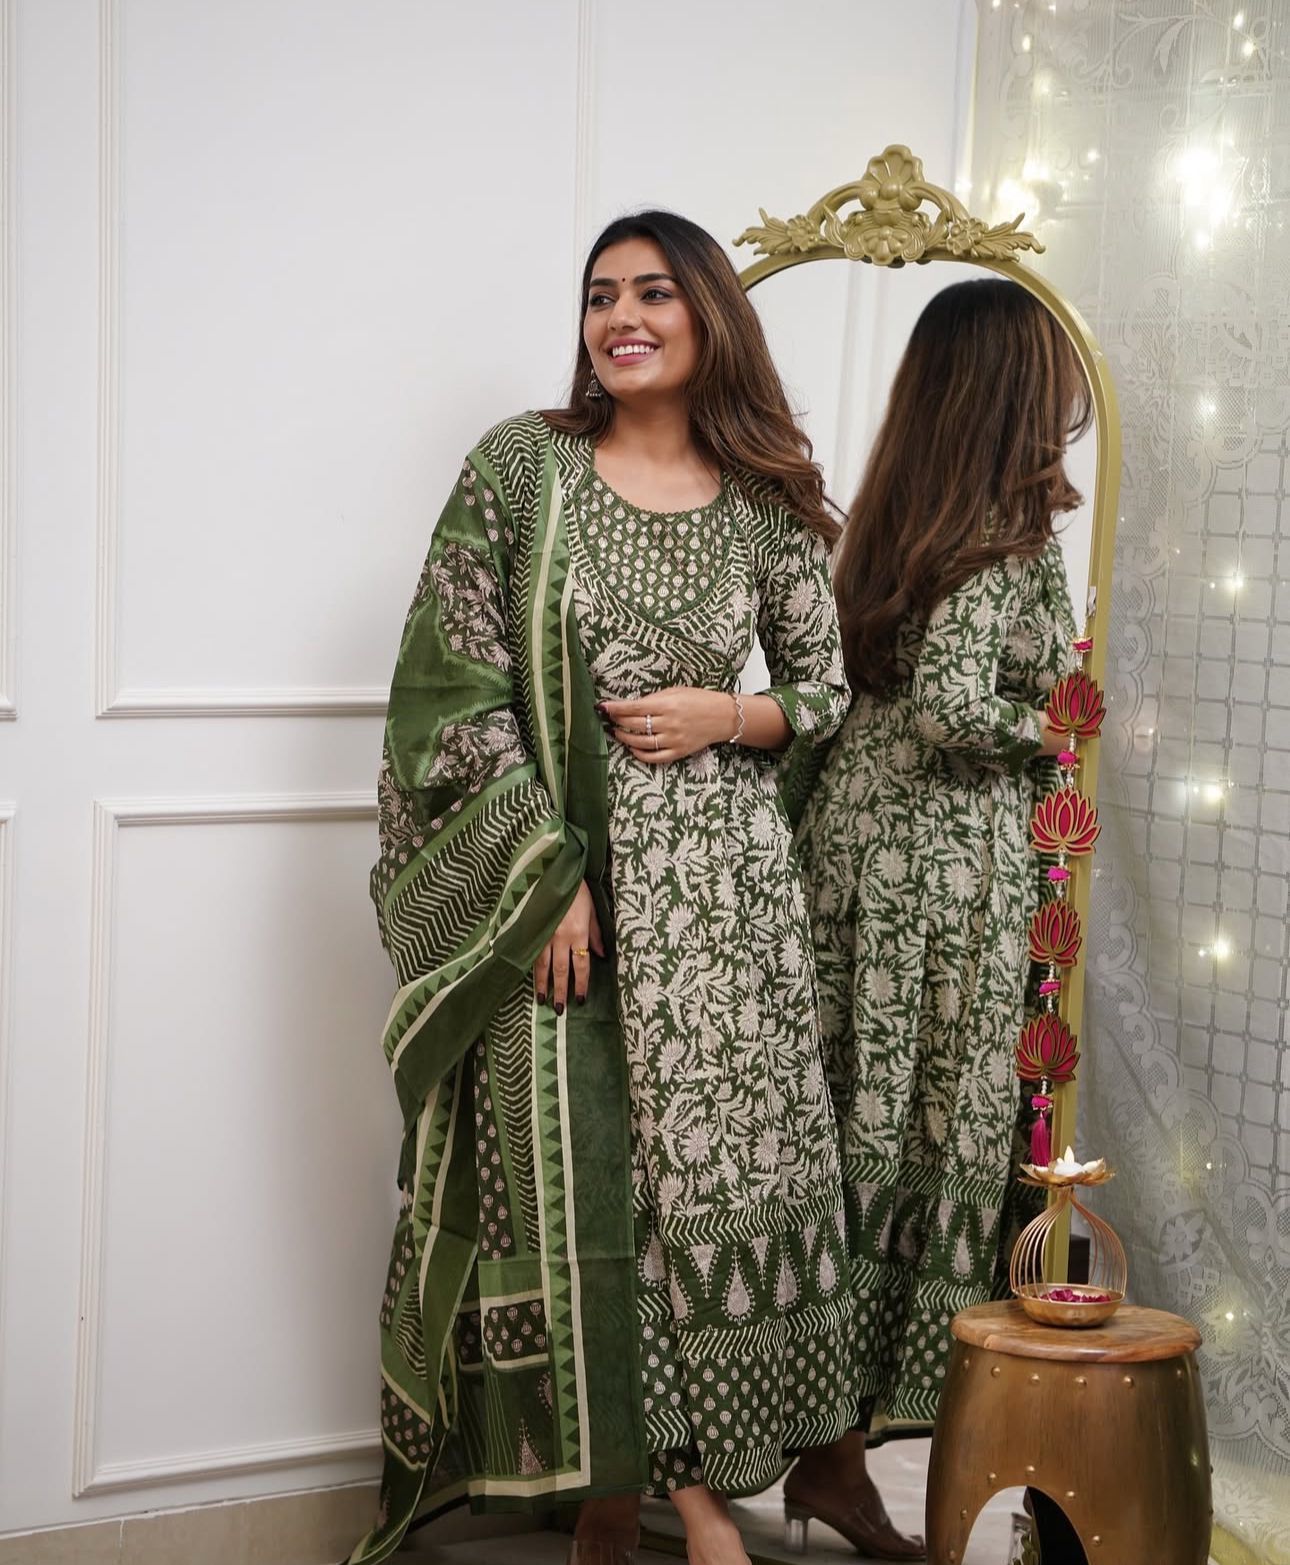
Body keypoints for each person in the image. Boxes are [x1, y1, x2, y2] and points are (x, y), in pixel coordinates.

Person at [349, 211, 854, 1565]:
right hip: (565, 902)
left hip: (725, 923)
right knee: (588, 1198)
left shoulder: (764, 501)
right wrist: (545, 878)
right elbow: (451, 683)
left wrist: (723, 714)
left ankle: (653, 1500)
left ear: (708, 317)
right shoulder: (523, 469)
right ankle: (667, 1508)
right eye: (599, 296)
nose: (620, 318)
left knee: (698, 1209)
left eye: (652, 293)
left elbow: (823, 691)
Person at [785, 279, 1091, 1560]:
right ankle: (852, 1462)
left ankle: (828, 1457)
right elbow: (958, 703)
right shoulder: (1002, 536)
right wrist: (1066, 732)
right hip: (941, 876)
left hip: (858, 850)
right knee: (916, 1135)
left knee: (849, 1132)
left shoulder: (901, 517)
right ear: (1020, 393)